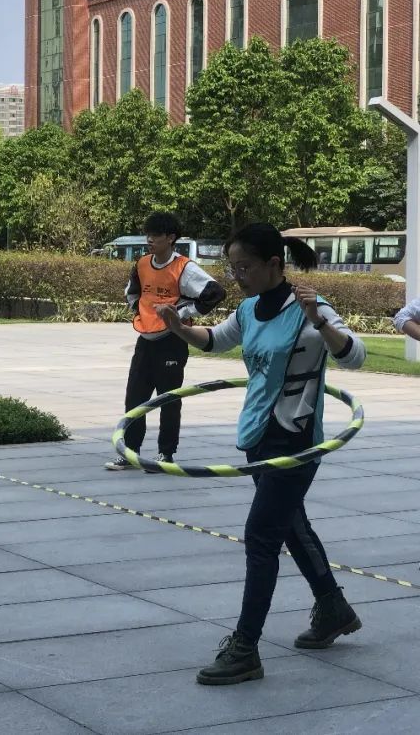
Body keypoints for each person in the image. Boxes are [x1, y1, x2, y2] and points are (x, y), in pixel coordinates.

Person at [157, 222, 366, 685]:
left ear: (274, 264)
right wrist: (180, 329)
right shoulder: (250, 308)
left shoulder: (310, 307)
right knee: (290, 525)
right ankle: (333, 607)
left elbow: (355, 355)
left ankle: (245, 647)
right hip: (257, 434)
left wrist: (320, 322)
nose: (237, 277)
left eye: (244, 267)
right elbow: (217, 340)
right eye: (232, 269)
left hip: (295, 439)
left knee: (261, 536)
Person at [105, 212, 226, 471]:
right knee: (134, 399)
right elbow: (132, 292)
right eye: (148, 234)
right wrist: (140, 312)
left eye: (156, 235)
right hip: (145, 340)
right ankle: (130, 453)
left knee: (168, 399)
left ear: (171, 238)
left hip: (172, 341)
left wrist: (180, 314)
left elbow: (215, 293)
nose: (150, 240)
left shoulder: (184, 268)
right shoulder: (142, 264)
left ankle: (166, 454)